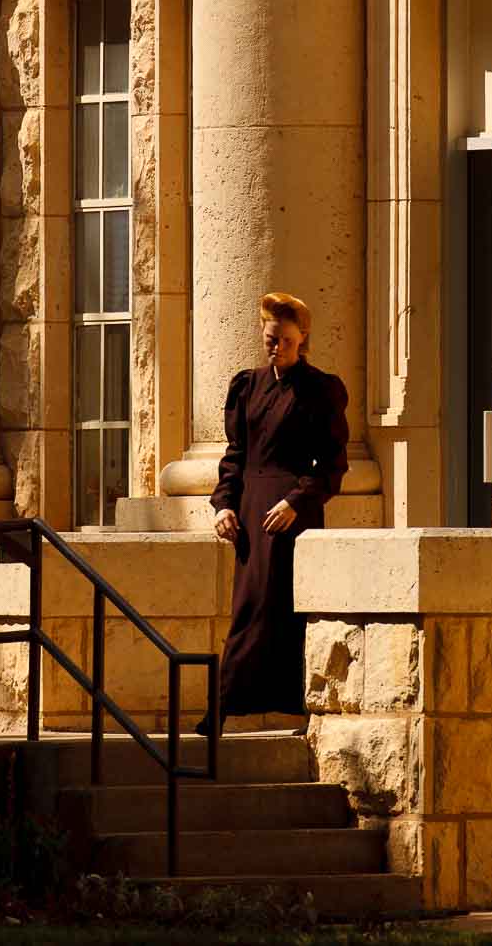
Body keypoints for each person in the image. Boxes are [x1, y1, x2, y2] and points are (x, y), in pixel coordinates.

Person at [195, 291, 349, 735]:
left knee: (281, 610)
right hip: (250, 513)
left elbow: (332, 465)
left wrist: (296, 503)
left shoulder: (321, 389)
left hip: (290, 514)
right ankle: (226, 707)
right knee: (249, 608)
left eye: (283, 339)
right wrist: (223, 505)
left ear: (302, 339)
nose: (275, 346)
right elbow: (235, 454)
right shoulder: (247, 385)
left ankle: (235, 710)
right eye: (269, 338)